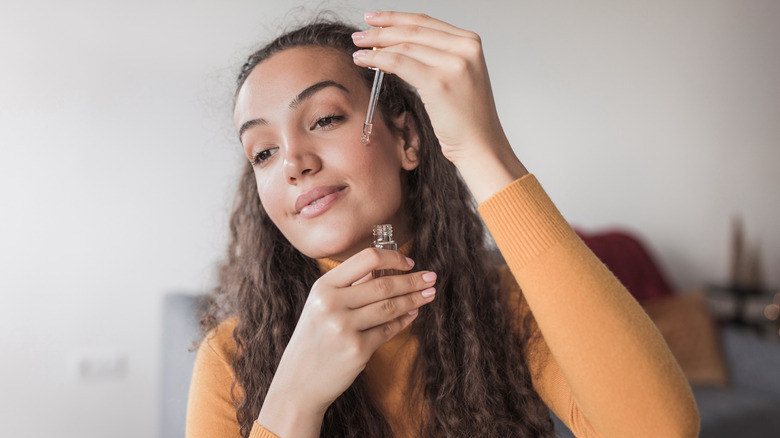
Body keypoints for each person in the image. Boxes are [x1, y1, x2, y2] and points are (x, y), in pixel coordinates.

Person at [186, 11, 699, 438]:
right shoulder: (233, 356)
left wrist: (481, 147)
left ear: (407, 139)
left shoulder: (505, 308)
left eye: (324, 120)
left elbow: (660, 430)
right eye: (264, 153)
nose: (294, 162)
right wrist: (294, 400)